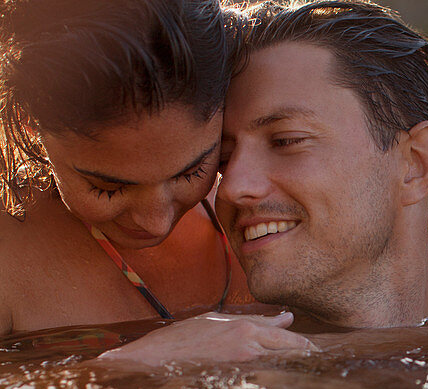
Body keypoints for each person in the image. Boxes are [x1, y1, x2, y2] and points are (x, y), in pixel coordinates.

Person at [101, 0, 428, 365]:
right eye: (224, 159)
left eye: (286, 141)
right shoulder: (202, 356)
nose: (231, 188)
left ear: (415, 164)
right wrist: (128, 367)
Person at [0, 0, 255, 336]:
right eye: (108, 188)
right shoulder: (9, 262)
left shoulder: (269, 211)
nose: (156, 221)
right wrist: (125, 366)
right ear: (30, 122)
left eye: (190, 172)